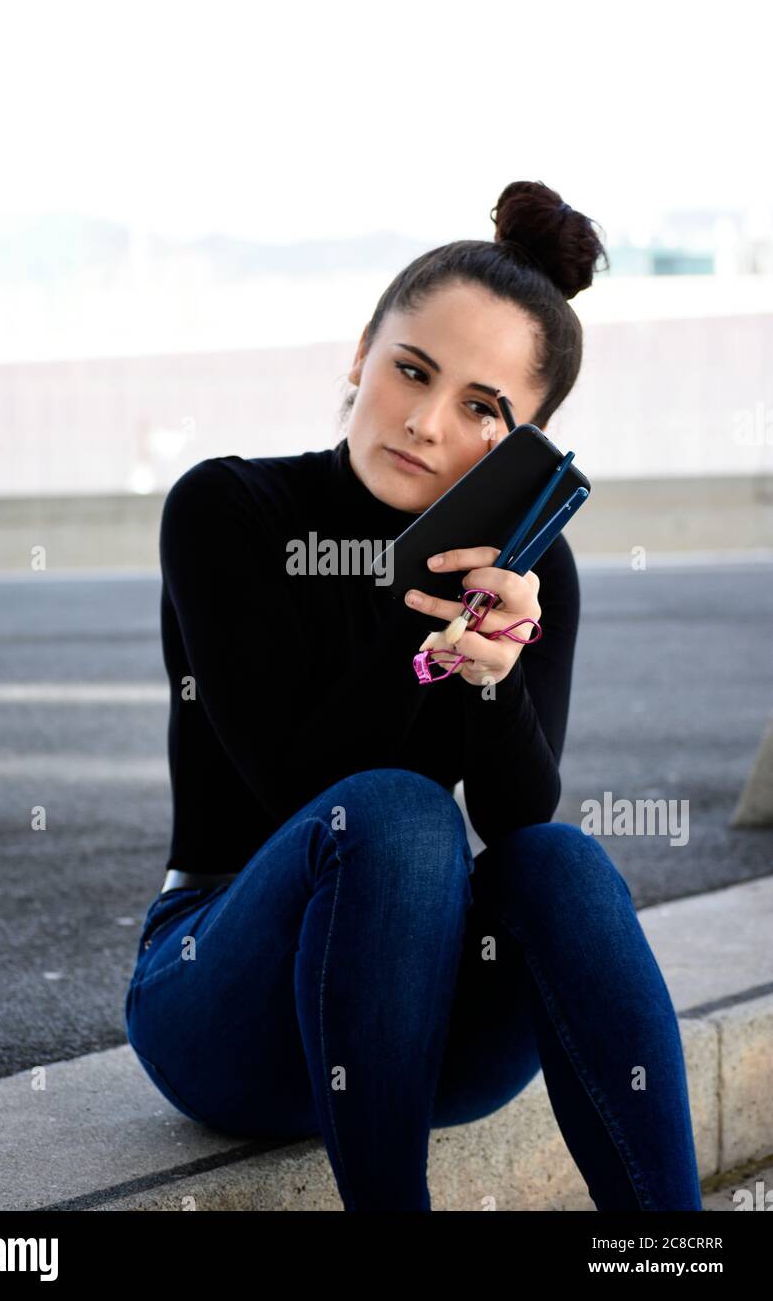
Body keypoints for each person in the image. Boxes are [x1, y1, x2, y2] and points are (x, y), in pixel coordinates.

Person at [123, 179, 703, 1212]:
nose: (426, 423)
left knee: (560, 858)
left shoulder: (532, 574)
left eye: (482, 407)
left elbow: (519, 819)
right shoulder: (229, 509)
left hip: (425, 1024)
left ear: (522, 443)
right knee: (393, 811)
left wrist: (492, 675)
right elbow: (292, 787)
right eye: (410, 371)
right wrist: (415, 614)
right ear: (360, 356)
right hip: (218, 994)